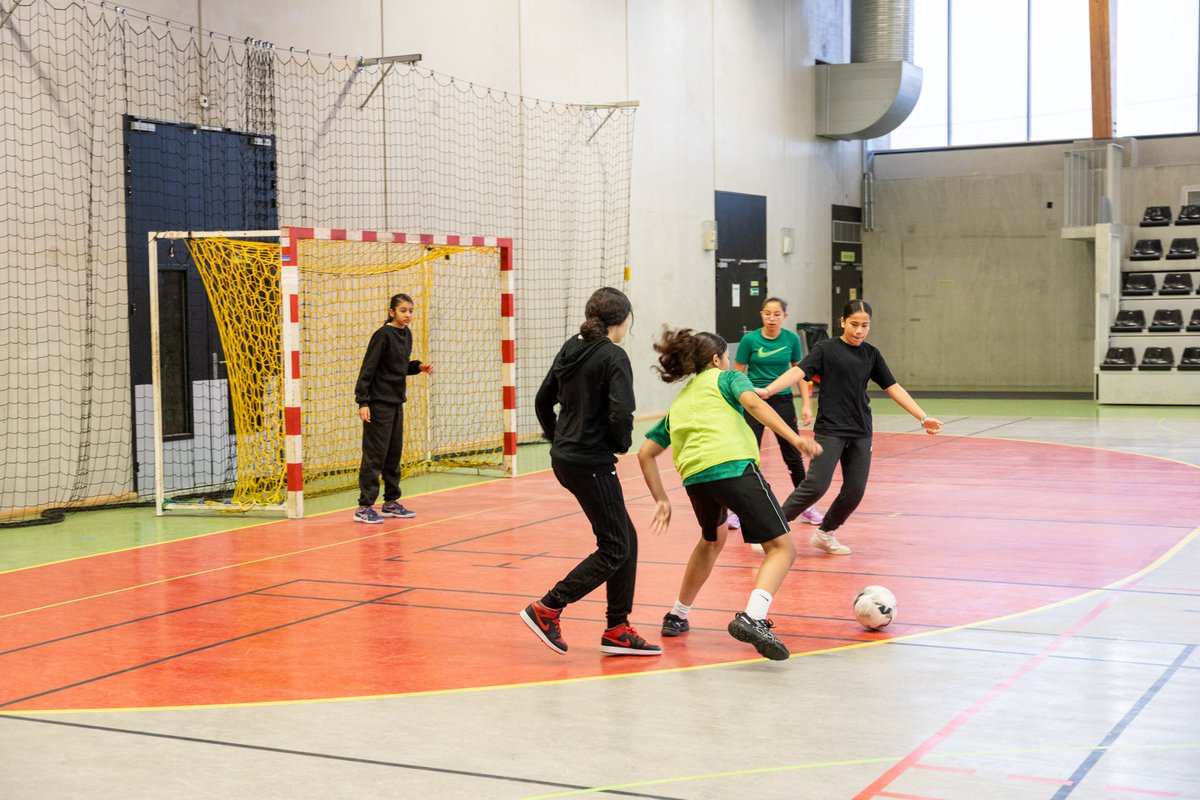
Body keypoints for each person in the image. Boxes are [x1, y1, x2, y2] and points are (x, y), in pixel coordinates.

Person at [637, 327, 822, 661]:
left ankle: (677, 614)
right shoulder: (726, 379)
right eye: (726, 357)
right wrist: (795, 439)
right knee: (782, 548)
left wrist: (661, 499)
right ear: (716, 359)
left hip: (695, 479)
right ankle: (753, 617)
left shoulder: (680, 402)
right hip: (734, 467)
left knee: (711, 541)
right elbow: (752, 402)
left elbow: (645, 453)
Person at [520, 287, 661, 657]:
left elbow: (541, 400)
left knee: (623, 537)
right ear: (624, 320)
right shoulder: (614, 356)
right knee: (616, 546)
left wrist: (559, 439)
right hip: (591, 462)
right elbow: (620, 413)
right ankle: (549, 607)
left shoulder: (572, 346)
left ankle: (617, 627)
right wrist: (619, 443)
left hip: (566, 458)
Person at [759, 299, 942, 556]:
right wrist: (769, 390)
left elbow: (893, 387)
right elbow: (799, 372)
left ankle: (825, 533)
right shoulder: (826, 349)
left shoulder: (871, 354)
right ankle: (770, 531)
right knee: (815, 486)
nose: (859, 331)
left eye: (865, 325)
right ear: (842, 322)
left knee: (855, 490)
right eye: (854, 324)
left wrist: (923, 417)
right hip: (830, 429)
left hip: (860, 431)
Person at [731, 296, 824, 531]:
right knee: (749, 454)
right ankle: (738, 510)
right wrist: (736, 405)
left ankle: (805, 505)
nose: (772, 318)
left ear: (785, 316)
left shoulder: (791, 339)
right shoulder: (749, 340)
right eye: (767, 313)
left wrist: (806, 405)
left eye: (777, 314)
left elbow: (801, 373)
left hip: (782, 401)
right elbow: (737, 374)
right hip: (753, 401)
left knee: (793, 454)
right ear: (761, 314)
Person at [352, 293, 434, 524]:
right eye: (403, 311)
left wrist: (418, 367)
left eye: (410, 311)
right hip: (378, 404)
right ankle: (364, 506)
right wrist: (363, 402)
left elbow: (397, 367)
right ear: (391, 312)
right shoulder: (382, 335)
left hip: (396, 402)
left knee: (393, 454)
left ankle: (390, 502)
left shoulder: (405, 334)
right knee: (374, 455)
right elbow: (368, 369)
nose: (407, 315)